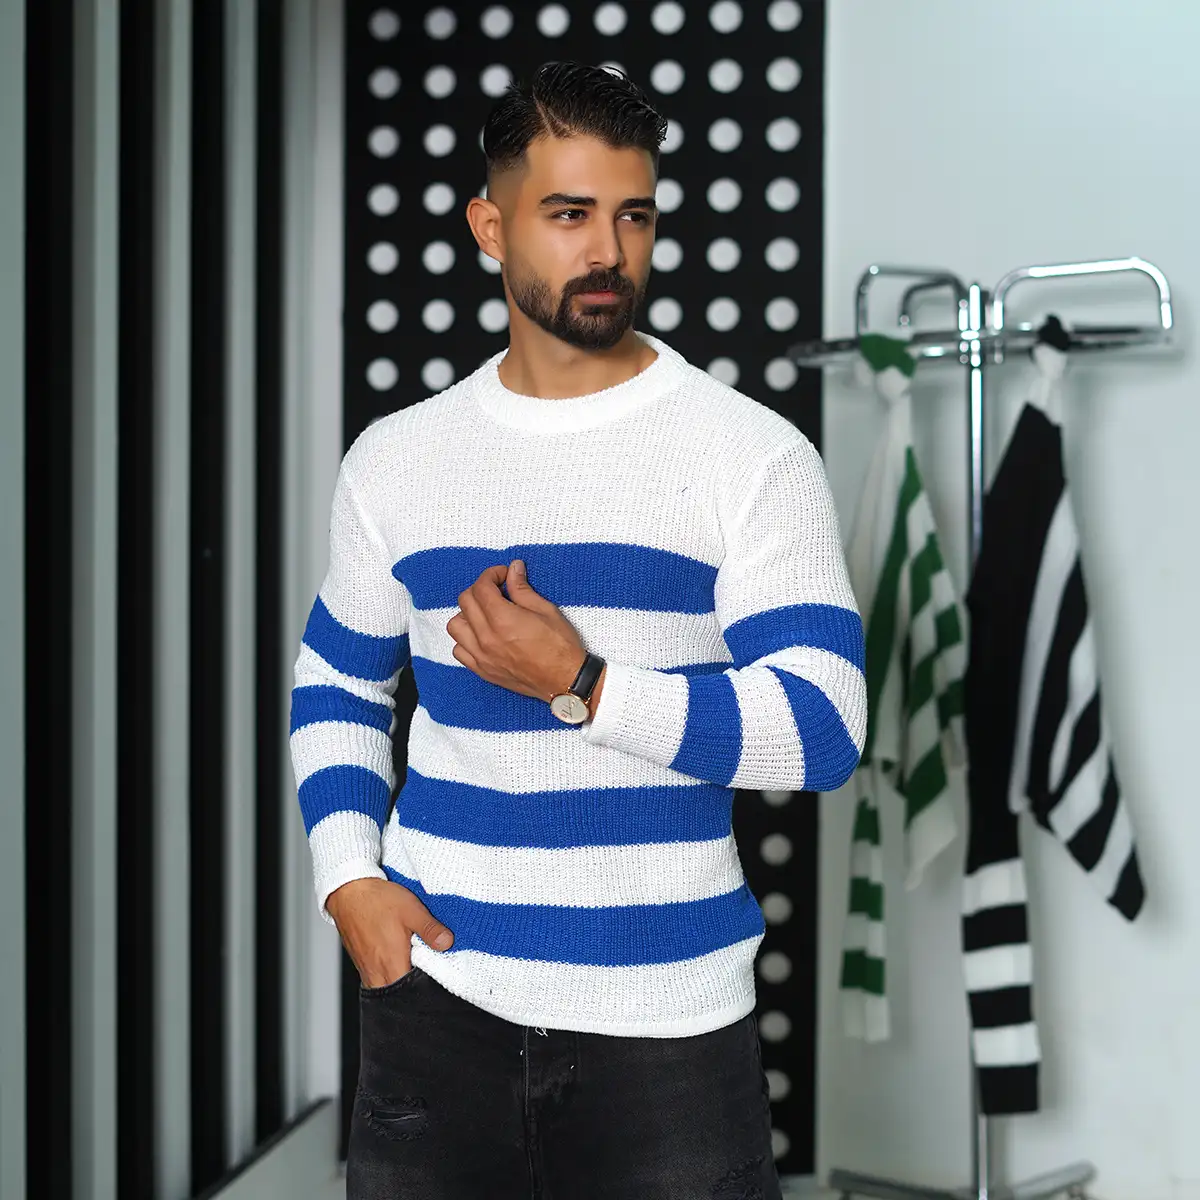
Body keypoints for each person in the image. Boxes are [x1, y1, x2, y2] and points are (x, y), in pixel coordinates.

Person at [289, 60, 866, 1200]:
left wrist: (587, 685)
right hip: (435, 1005)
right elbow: (336, 685)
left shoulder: (750, 455)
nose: (608, 250)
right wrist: (348, 879)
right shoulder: (397, 460)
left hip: (671, 1034)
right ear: (490, 228)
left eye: (633, 216)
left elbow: (823, 729)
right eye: (568, 215)